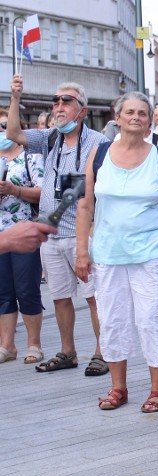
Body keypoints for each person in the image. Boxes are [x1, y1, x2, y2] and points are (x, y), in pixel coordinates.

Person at [74, 92, 158, 412]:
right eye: (130, 112)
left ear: (150, 121)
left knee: (152, 320)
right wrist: (82, 251)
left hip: (152, 252)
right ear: (117, 117)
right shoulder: (99, 154)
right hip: (108, 252)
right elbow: (85, 205)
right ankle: (118, 387)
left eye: (142, 113)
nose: (136, 117)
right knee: (112, 320)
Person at [6, 75, 109, 377]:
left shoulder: (98, 143)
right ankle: (67, 351)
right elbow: (13, 132)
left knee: (93, 296)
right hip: (50, 233)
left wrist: (90, 234)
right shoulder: (50, 137)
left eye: (67, 101)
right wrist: (15, 97)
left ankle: (103, 352)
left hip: (83, 234)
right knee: (61, 296)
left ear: (83, 110)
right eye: (56, 101)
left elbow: (99, 191)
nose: (59, 106)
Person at [0, 109, 46, 365]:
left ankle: (34, 344)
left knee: (27, 289)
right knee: (3, 291)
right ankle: (7, 345)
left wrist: (15, 190)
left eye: (6, 125)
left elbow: (42, 192)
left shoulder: (30, 156)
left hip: (24, 232)